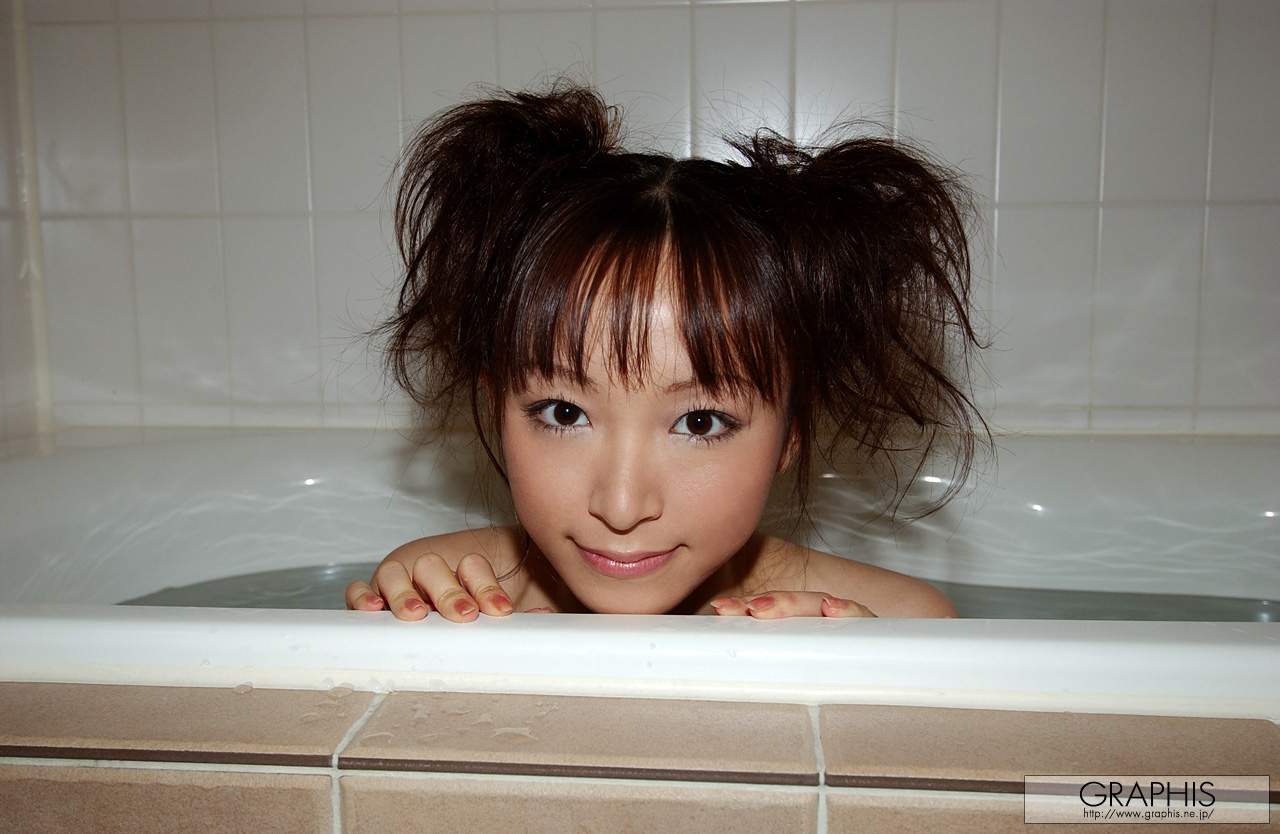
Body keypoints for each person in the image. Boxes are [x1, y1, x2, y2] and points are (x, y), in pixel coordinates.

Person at [344, 74, 990, 622]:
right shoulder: (444, 589)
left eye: (700, 422)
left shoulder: (898, 622)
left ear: (790, 436)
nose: (621, 507)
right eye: (564, 413)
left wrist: (862, 687)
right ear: (497, 410)